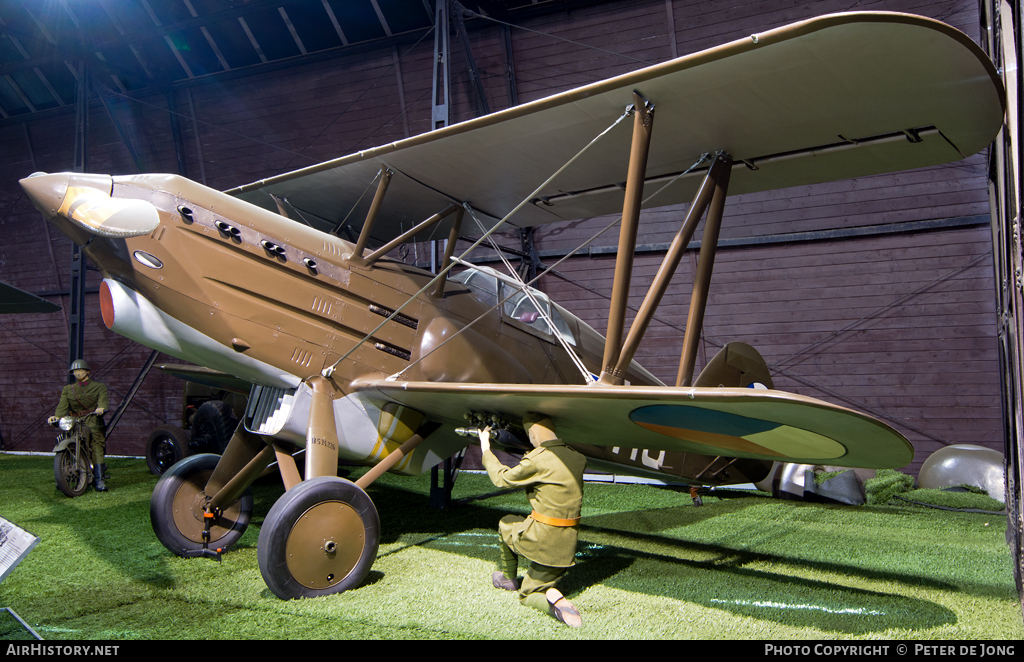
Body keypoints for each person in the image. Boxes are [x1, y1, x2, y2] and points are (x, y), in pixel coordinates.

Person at [479, 413, 587, 627]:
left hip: (541, 539)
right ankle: (547, 589)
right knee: (520, 527)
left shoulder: (538, 459)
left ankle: (531, 592)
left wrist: (485, 448)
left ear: (533, 434)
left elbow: (502, 479)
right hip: (566, 546)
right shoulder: (578, 458)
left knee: (528, 593)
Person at [48, 359, 109, 492]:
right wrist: (56, 417)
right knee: (68, 438)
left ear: (87, 371)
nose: (78, 373)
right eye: (75, 371)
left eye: (80, 370)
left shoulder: (99, 386)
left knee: (96, 443)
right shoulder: (68, 389)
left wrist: (101, 408)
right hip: (75, 420)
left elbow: (103, 402)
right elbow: (62, 406)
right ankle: (63, 475)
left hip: (92, 419)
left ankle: (99, 479)